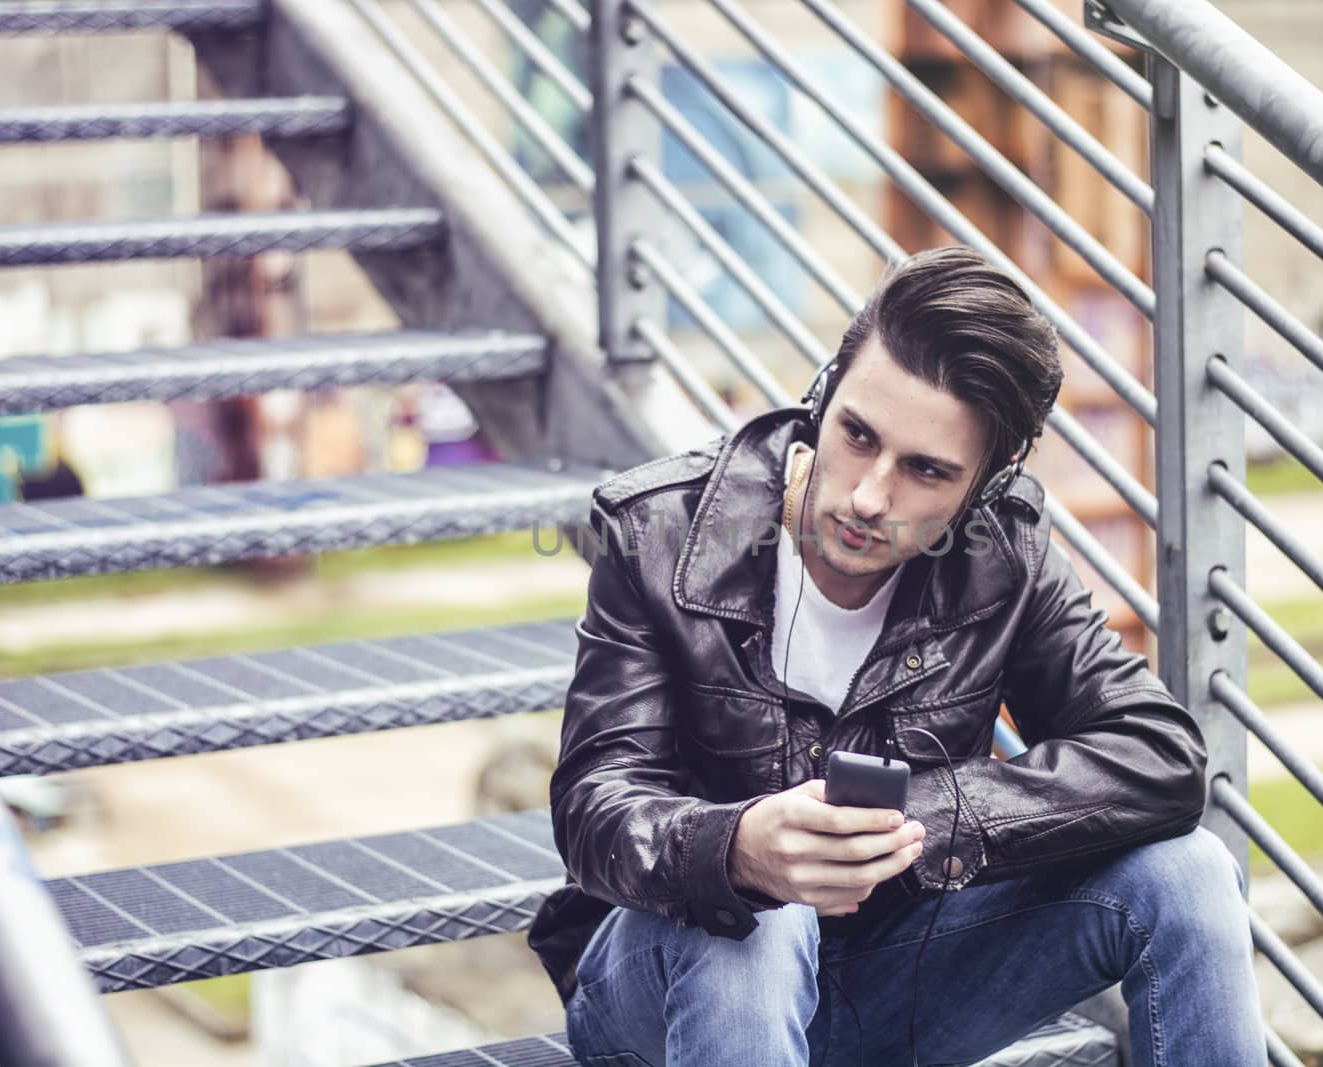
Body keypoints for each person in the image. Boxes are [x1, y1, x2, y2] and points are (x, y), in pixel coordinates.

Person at [527, 246, 1264, 1066]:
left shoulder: (1000, 552)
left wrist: (924, 819)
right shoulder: (660, 533)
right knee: (763, 917)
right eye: (858, 434)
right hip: (671, 988)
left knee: (1188, 873)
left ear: (980, 487)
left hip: (894, 975)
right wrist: (735, 846)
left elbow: (1158, 755)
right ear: (823, 395)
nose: (870, 496)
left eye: (925, 470)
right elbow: (594, 804)